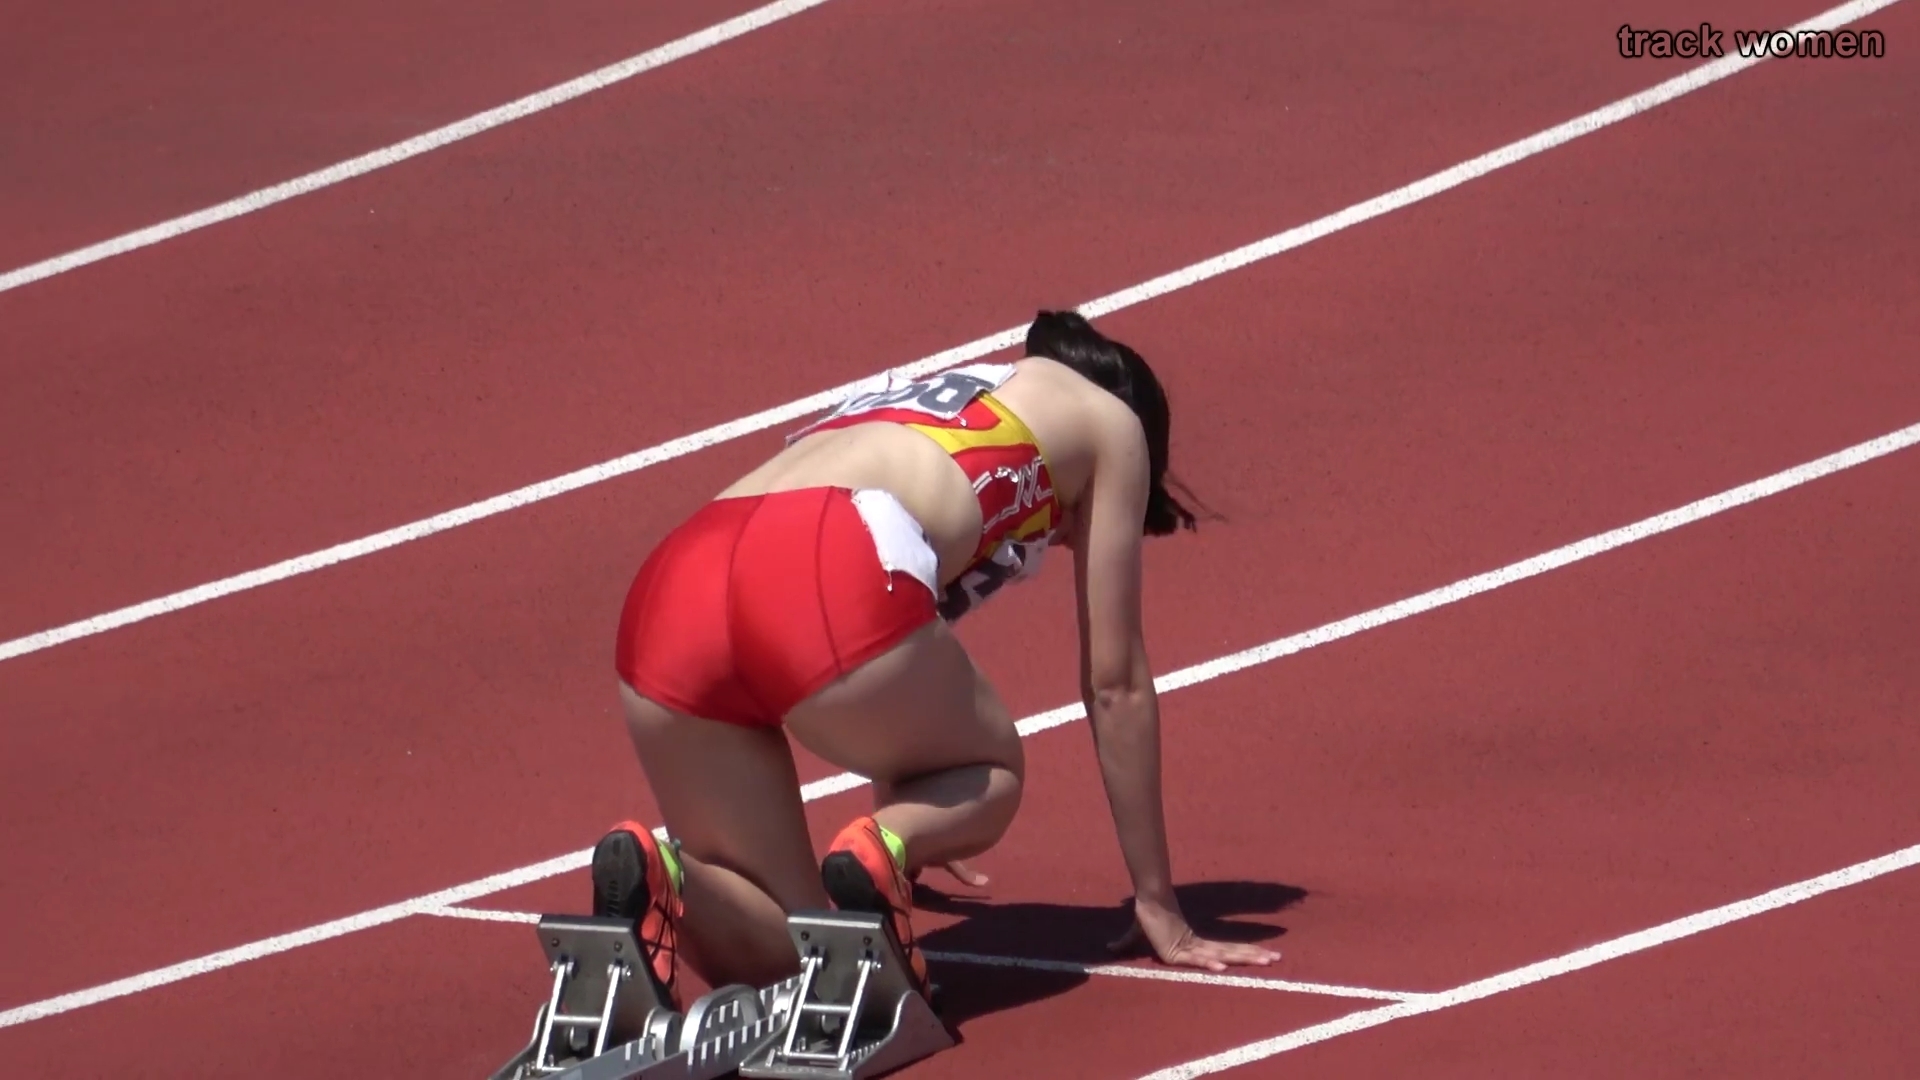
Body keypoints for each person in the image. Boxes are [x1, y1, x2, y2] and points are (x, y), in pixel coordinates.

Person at [594, 310, 1279, 1008]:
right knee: (994, 772)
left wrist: (919, 812)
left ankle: (668, 872)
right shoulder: (1111, 420)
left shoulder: (951, 393)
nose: (1068, 542)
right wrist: (1158, 903)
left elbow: (890, 632)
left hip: (675, 584)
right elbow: (1116, 684)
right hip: (821, 551)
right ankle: (883, 848)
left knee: (804, 961)